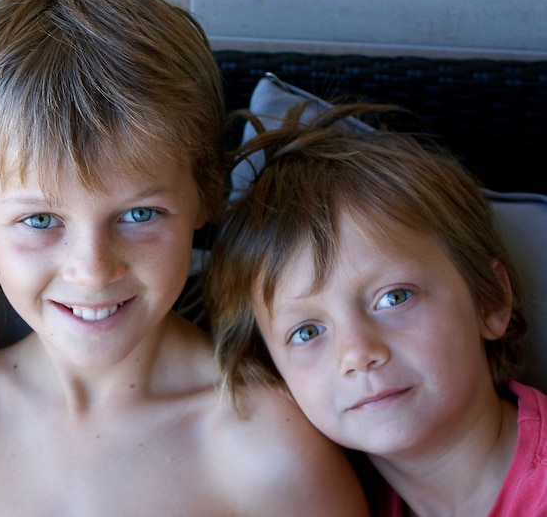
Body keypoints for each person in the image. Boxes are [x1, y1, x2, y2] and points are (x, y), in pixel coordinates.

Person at [0, 0, 369, 517]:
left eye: (139, 214)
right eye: (40, 220)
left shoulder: (269, 446)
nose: (93, 270)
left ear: (207, 194)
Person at [206, 102, 547, 516]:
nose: (357, 353)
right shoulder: (332, 496)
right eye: (307, 332)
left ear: (489, 298)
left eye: (394, 297)